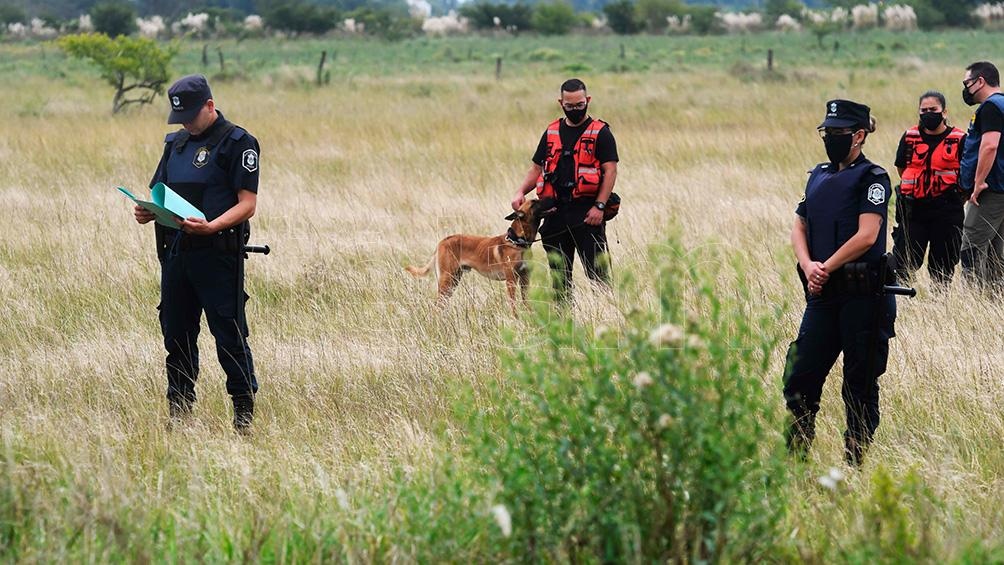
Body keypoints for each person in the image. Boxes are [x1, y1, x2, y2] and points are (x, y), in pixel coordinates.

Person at [133, 74, 260, 432]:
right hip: (177, 254)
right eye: (180, 117)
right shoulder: (175, 144)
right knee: (176, 335)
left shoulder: (238, 143)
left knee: (229, 336)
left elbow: (248, 204)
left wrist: (213, 226)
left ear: (210, 105)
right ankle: (179, 412)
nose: (186, 123)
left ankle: (243, 415)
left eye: (191, 116)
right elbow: (159, 191)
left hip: (218, 255)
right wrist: (147, 211)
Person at [783, 100, 896, 467]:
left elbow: (867, 235)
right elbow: (799, 224)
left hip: (862, 296)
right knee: (800, 375)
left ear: (859, 136)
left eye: (837, 133)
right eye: (826, 132)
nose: (830, 138)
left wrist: (825, 268)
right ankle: (796, 458)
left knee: (859, 382)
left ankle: (854, 461)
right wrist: (808, 266)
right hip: (823, 295)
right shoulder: (818, 175)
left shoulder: (873, 178)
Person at [511, 78, 619, 303]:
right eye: (570, 106)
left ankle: (607, 316)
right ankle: (562, 319)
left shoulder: (601, 133)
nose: (575, 110)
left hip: (587, 215)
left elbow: (610, 171)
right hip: (555, 215)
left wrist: (599, 206)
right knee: (559, 280)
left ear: (588, 100)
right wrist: (520, 191)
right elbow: (536, 168)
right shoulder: (551, 132)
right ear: (561, 103)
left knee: (598, 276)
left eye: (580, 105)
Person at [891, 91, 966, 288]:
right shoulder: (910, 136)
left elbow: (967, 174)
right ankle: (904, 300)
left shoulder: (959, 138)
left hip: (947, 209)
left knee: (943, 265)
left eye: (933, 109)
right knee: (904, 262)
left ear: (944, 112)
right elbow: (902, 168)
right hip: (914, 210)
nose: (928, 114)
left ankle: (939, 302)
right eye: (923, 110)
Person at [960, 61, 1004, 286]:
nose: (965, 89)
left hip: (991, 190)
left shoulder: (991, 107)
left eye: (967, 83)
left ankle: (973, 298)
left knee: (971, 248)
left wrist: (978, 183)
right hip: (1001, 189)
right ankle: (995, 299)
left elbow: (989, 146)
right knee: (996, 251)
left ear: (980, 81)